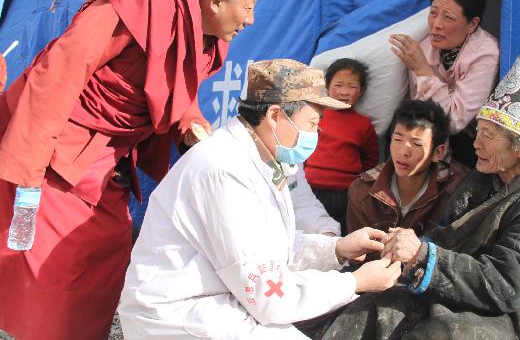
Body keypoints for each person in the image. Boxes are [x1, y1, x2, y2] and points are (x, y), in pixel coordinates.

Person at [0, 0, 258, 340]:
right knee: (52, 265)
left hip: (111, 165)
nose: (250, 20)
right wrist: (28, 170)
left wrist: (192, 123)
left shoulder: (205, 36)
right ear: (217, 1)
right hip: (59, 153)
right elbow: (60, 70)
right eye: (248, 7)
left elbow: (175, 84)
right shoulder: (137, 0)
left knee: (108, 257)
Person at [118, 59, 403, 339]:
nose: (317, 134)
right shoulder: (225, 171)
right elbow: (268, 295)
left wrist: (338, 248)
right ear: (276, 116)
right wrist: (355, 282)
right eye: (313, 123)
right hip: (180, 316)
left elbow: (271, 246)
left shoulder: (262, 158)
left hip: (221, 301)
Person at [316, 55, 520, 340]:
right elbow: (445, 236)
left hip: (513, 315)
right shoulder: (480, 182)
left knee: (440, 334)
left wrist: (421, 255)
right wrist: (402, 252)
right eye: (479, 131)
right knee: (372, 307)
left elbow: (508, 285)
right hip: (454, 292)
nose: (476, 143)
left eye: (489, 135)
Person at [389, 0, 499, 167]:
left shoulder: (486, 53)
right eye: (433, 13)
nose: (436, 25)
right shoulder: (423, 45)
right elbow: (418, 109)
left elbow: (455, 121)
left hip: (469, 142)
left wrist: (423, 70)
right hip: (428, 136)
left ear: (472, 24)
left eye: (448, 17)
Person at [346, 99, 469, 242]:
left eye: (416, 144)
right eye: (398, 139)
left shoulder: (455, 189)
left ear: (438, 152)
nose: (403, 152)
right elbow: (358, 255)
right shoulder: (361, 191)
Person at [304, 58, 379, 234]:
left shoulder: (363, 124)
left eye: (352, 87)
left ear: (362, 91)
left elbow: (371, 162)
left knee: (340, 238)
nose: (344, 92)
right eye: (338, 85)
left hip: (345, 195)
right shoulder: (315, 114)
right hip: (309, 189)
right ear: (327, 87)